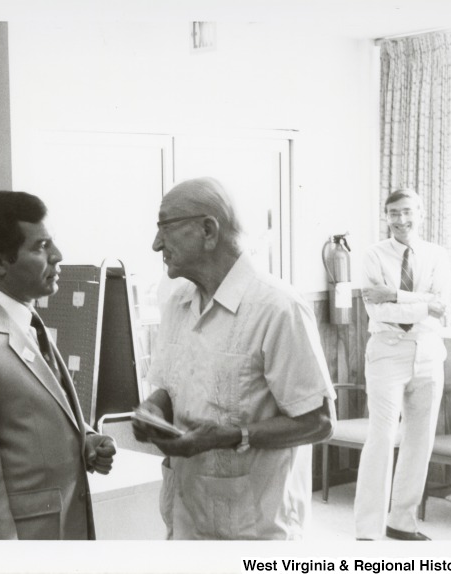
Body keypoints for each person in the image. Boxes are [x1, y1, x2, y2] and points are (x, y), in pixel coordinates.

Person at [132, 177, 336, 540]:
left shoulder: (278, 308)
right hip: (185, 519)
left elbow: (319, 421)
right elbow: (170, 386)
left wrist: (231, 436)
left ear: (208, 230)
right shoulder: (178, 302)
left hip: (255, 529)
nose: (156, 243)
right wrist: (152, 408)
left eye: (165, 227)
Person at [0, 191, 116, 540]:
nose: (57, 256)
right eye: (41, 246)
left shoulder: (26, 321)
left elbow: (27, 416)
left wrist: (84, 438)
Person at [355, 188, 451, 541]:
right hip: (387, 351)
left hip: (428, 352)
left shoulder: (438, 255)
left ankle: (402, 522)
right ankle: (367, 529)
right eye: (394, 213)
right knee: (380, 438)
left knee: (419, 440)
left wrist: (396, 294)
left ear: (421, 213)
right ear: (386, 216)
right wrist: (424, 303)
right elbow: (376, 309)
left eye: (408, 212)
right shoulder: (373, 256)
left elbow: (443, 304)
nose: (401, 220)